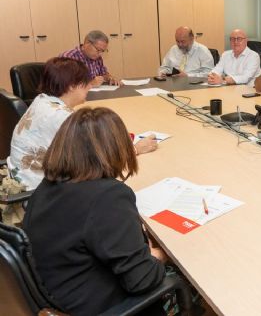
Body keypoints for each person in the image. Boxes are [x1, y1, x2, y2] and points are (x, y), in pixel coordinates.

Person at [22, 107, 168, 315]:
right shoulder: (108, 196)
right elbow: (142, 281)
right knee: (175, 278)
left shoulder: (47, 185)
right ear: (117, 149)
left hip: (57, 294)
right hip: (102, 307)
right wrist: (159, 256)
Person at [8, 57, 157, 191]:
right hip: (38, 193)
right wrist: (135, 149)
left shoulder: (42, 100)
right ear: (72, 86)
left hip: (22, 181)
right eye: (86, 83)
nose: (90, 87)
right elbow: (97, 163)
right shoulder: (61, 117)